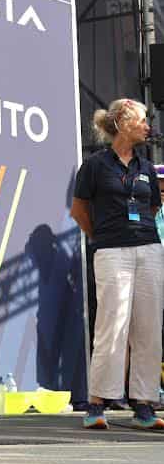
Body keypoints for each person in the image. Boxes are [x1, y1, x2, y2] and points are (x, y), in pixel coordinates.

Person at [70, 98, 164, 430]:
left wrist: (138, 232)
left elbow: (153, 207)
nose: (147, 125)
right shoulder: (95, 166)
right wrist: (103, 236)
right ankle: (98, 404)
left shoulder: (147, 167)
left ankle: (144, 406)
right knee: (112, 325)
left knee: (149, 329)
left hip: (149, 250)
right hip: (111, 251)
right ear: (123, 122)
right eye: (141, 120)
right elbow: (79, 210)